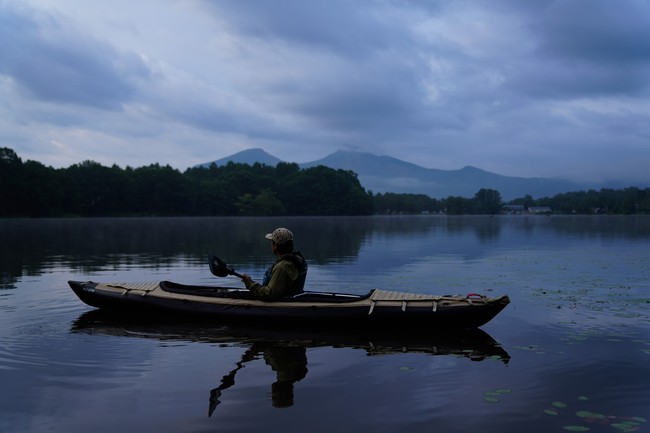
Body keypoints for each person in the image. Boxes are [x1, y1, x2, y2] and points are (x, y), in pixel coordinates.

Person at [241, 227, 308, 300]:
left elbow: (269, 294)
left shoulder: (282, 267)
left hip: (282, 306)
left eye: (272, 241)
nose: (271, 244)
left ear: (275, 246)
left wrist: (250, 283)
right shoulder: (296, 260)